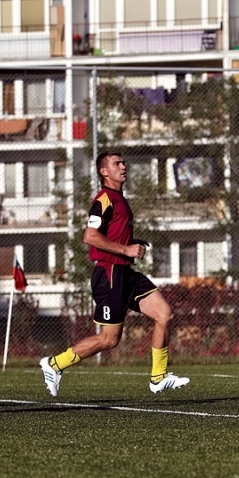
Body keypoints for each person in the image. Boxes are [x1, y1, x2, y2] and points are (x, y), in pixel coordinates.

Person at [39, 151, 190, 396]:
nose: (123, 166)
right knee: (109, 340)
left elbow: (112, 234)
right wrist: (126, 249)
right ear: (104, 171)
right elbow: (90, 236)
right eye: (116, 163)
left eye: (123, 163)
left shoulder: (120, 198)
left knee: (165, 314)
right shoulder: (104, 199)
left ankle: (158, 377)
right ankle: (54, 364)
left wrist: (131, 243)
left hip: (126, 273)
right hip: (109, 274)